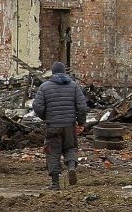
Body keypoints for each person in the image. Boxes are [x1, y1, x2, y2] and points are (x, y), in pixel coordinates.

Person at [32, 62, 88, 190]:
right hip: (69, 125)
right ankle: (72, 167)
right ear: (64, 72)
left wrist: (45, 117)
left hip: (52, 125)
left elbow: (37, 106)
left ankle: (55, 184)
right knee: (71, 148)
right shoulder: (74, 86)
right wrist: (81, 122)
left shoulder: (44, 87)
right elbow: (82, 107)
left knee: (52, 152)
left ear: (52, 72)